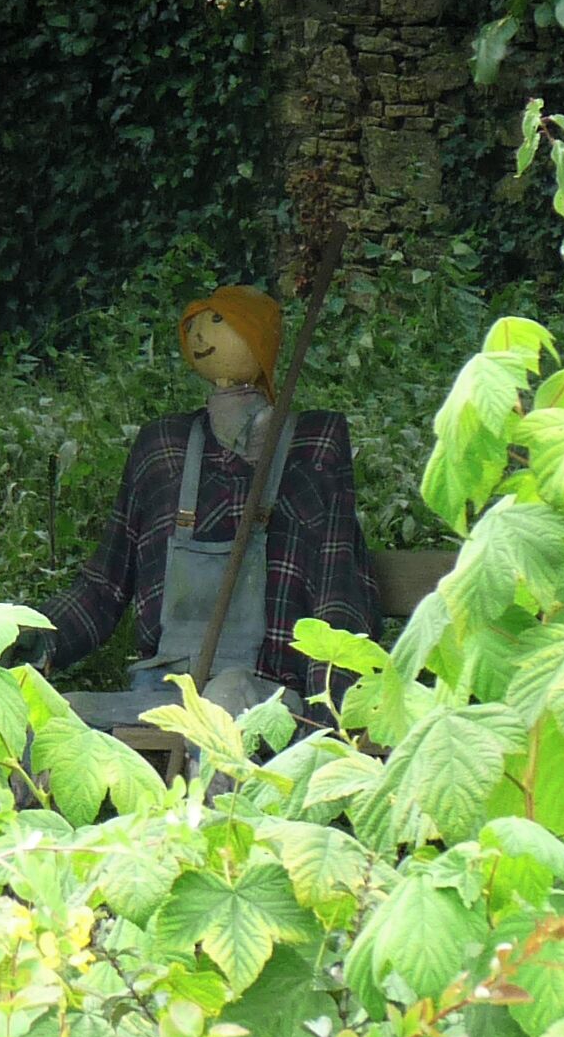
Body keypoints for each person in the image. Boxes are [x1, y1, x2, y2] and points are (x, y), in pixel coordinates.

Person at [36, 284, 378, 721]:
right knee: (52, 721)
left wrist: (330, 718)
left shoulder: (312, 446)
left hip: (267, 694)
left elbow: (337, 594)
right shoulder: (163, 447)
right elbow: (102, 589)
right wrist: (29, 638)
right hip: (160, 695)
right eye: (194, 322)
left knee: (227, 696)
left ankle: (212, 791)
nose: (199, 333)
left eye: (218, 320)